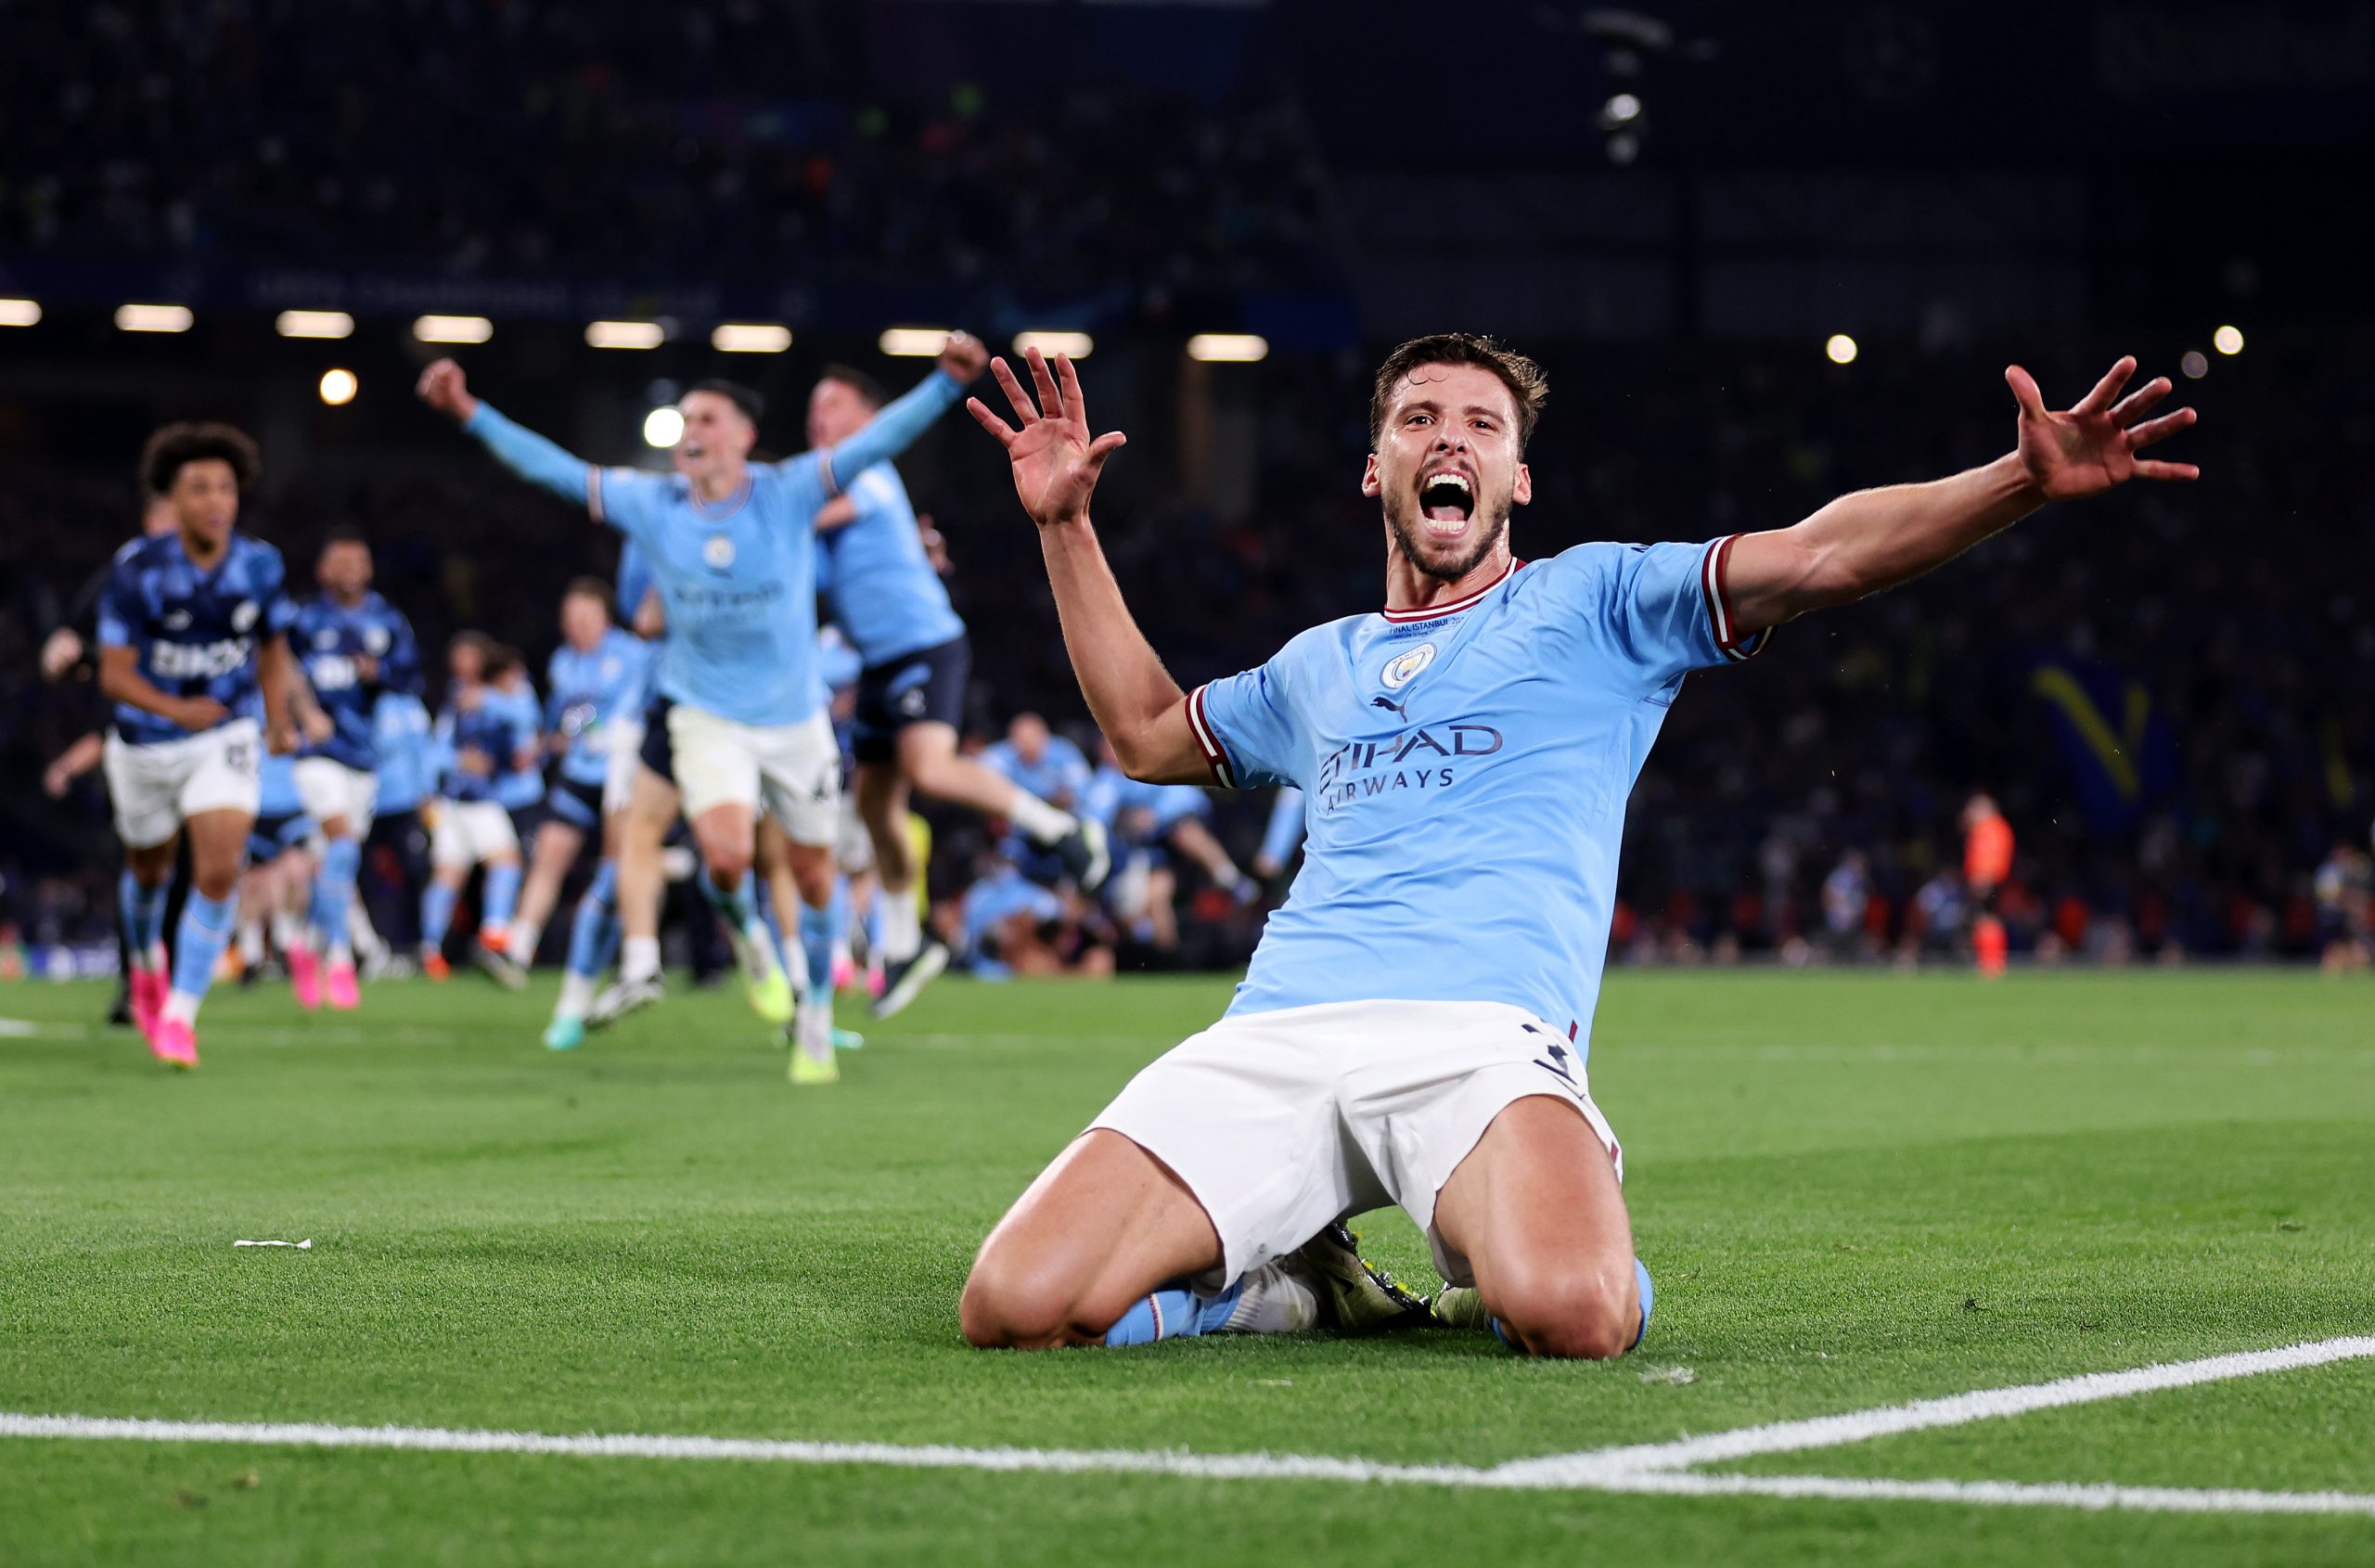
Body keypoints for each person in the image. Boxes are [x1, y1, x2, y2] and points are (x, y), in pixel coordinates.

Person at [956, 336, 2197, 1356]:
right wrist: (1065, 525)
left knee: (1576, 1312)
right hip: (1280, 1025)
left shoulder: (1599, 600)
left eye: (1482, 426)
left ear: (1520, 481)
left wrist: (2018, 480)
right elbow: (1146, 734)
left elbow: (1823, 552)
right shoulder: (1315, 665)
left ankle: (1484, 1266)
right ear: (1375, 468)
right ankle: (1282, 1288)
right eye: (1420, 419)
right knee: (1013, 1304)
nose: (1451, 440)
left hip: (1479, 1037)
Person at [417, 332, 987, 1085]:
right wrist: (469, 412)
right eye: (686, 419)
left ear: (744, 437)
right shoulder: (652, 503)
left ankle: (816, 1016)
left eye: (709, 419)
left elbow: (877, 441)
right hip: (705, 713)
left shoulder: (789, 491)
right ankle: (743, 938)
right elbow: (553, 468)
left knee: (814, 876)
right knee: (725, 855)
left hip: (793, 718)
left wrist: (945, 385)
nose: (693, 430)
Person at [808, 364, 1109, 1020]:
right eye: (814, 406)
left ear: (869, 418)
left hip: (923, 647)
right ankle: (903, 944)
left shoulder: (861, 473)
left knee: (930, 768)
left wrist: (740, 512)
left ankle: (1061, 829)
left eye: (832, 404)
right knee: (874, 805)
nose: (818, 417)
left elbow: (802, 519)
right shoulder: (832, 492)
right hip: (878, 664)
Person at [97, 422, 299, 1068]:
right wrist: (176, 709)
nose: (216, 501)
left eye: (226, 488)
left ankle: (180, 1015)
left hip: (225, 732)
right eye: (200, 488)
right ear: (173, 500)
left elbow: (273, 647)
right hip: (145, 741)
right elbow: (114, 674)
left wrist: (278, 720)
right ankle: (146, 966)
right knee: (148, 872)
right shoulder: (138, 569)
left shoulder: (260, 565)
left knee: (218, 870)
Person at [288, 531, 420, 1009]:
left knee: (335, 862)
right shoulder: (303, 619)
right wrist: (303, 714)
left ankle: (304, 942)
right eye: (339, 562)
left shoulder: (387, 620)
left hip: (363, 758)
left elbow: (412, 676)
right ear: (323, 570)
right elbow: (276, 668)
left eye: (357, 561)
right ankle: (341, 959)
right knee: (342, 846)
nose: (349, 570)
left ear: (368, 569)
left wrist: (378, 674)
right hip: (316, 753)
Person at [418, 635, 534, 985]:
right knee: (501, 862)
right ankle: (490, 935)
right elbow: (436, 750)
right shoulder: (455, 697)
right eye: (457, 659)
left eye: (469, 658)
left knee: (452, 872)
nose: (462, 666)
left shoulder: (500, 689)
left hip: (485, 796)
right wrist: (457, 762)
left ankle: (433, 949)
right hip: (467, 798)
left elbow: (527, 718)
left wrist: (488, 699)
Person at [1962, 792, 2015, 977]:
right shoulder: (1991, 828)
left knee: (1986, 920)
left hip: (1988, 880)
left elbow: (1989, 856)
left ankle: (1991, 963)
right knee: (1985, 920)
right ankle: (1990, 962)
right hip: (1990, 879)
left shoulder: (1989, 829)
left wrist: (1982, 878)